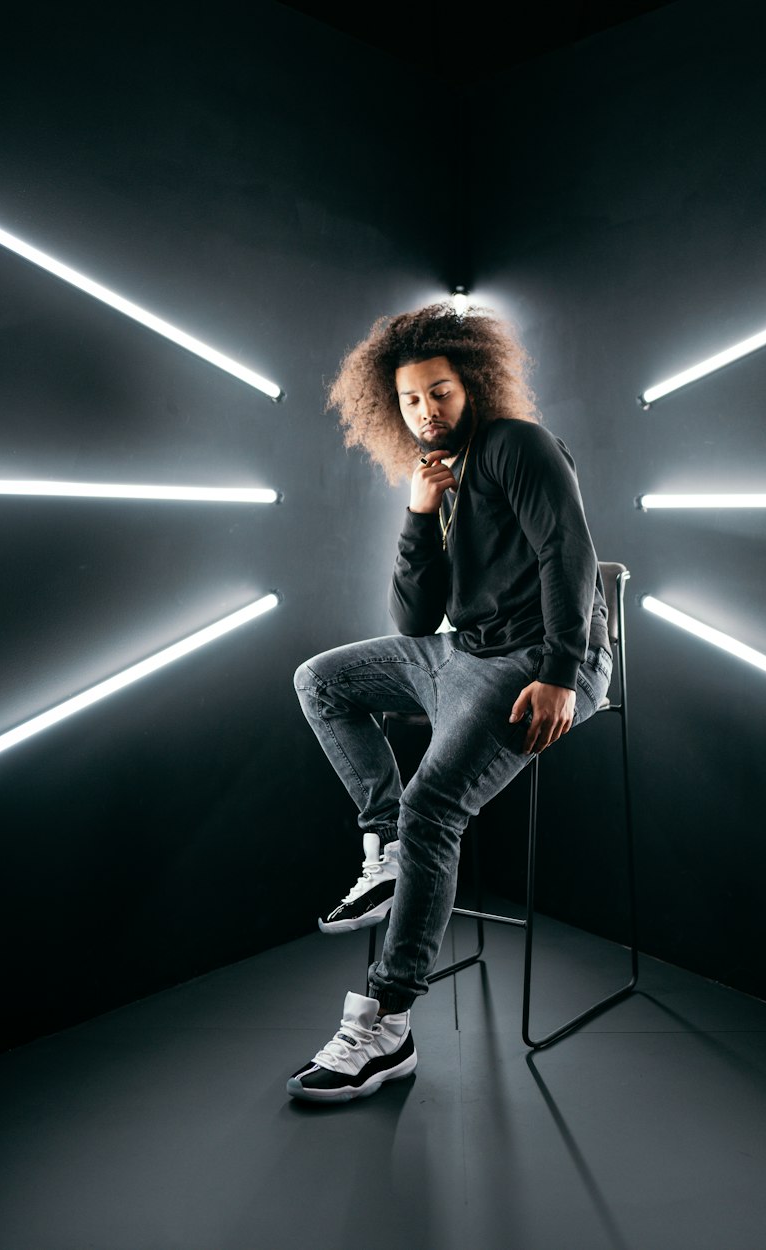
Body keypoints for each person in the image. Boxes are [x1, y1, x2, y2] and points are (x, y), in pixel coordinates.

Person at [286, 302, 611, 1102]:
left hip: (537, 659)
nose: (427, 411)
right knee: (321, 680)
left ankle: (387, 1026)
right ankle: (385, 848)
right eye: (410, 400)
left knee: (436, 805)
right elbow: (413, 620)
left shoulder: (515, 445)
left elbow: (569, 554)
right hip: (457, 651)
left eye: (441, 392)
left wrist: (563, 672)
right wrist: (419, 512)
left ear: (475, 384)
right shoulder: (444, 474)